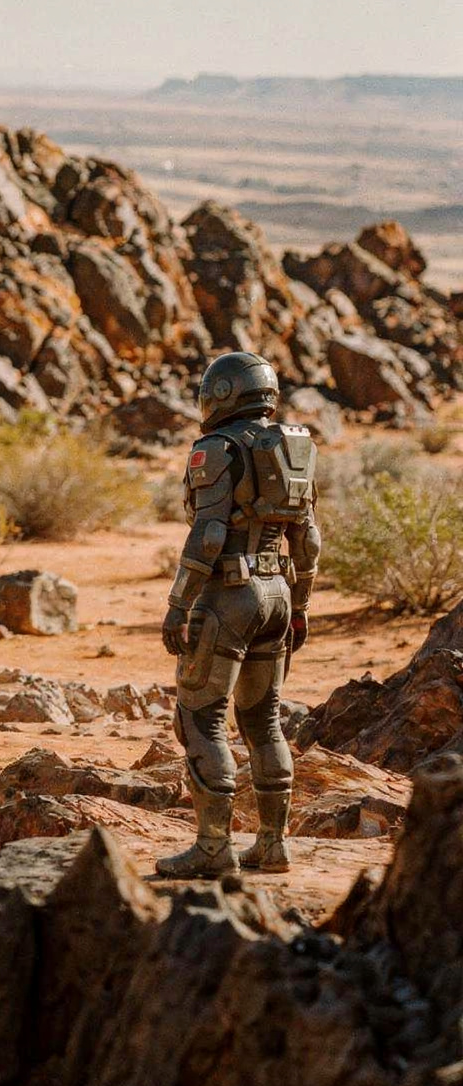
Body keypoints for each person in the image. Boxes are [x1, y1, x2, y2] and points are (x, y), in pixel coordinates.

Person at [154, 351, 320, 878]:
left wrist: (178, 605)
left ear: (222, 393)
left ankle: (213, 848)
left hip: (229, 595)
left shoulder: (216, 449)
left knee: (200, 719)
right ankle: (272, 845)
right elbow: (308, 541)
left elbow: (208, 535)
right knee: (264, 721)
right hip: (278, 596)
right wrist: (301, 606)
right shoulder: (294, 446)